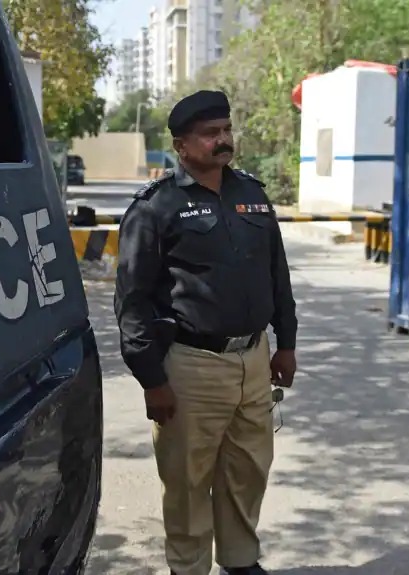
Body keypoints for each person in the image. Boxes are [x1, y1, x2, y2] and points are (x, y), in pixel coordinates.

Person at [114, 89, 297, 575]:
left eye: (226, 130)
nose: (223, 140)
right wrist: (151, 378)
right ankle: (189, 567)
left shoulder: (251, 195)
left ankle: (239, 561)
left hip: (254, 359)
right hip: (191, 365)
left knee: (248, 469)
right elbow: (131, 300)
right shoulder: (156, 207)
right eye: (210, 134)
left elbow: (277, 274)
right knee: (188, 480)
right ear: (181, 145)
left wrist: (287, 343)